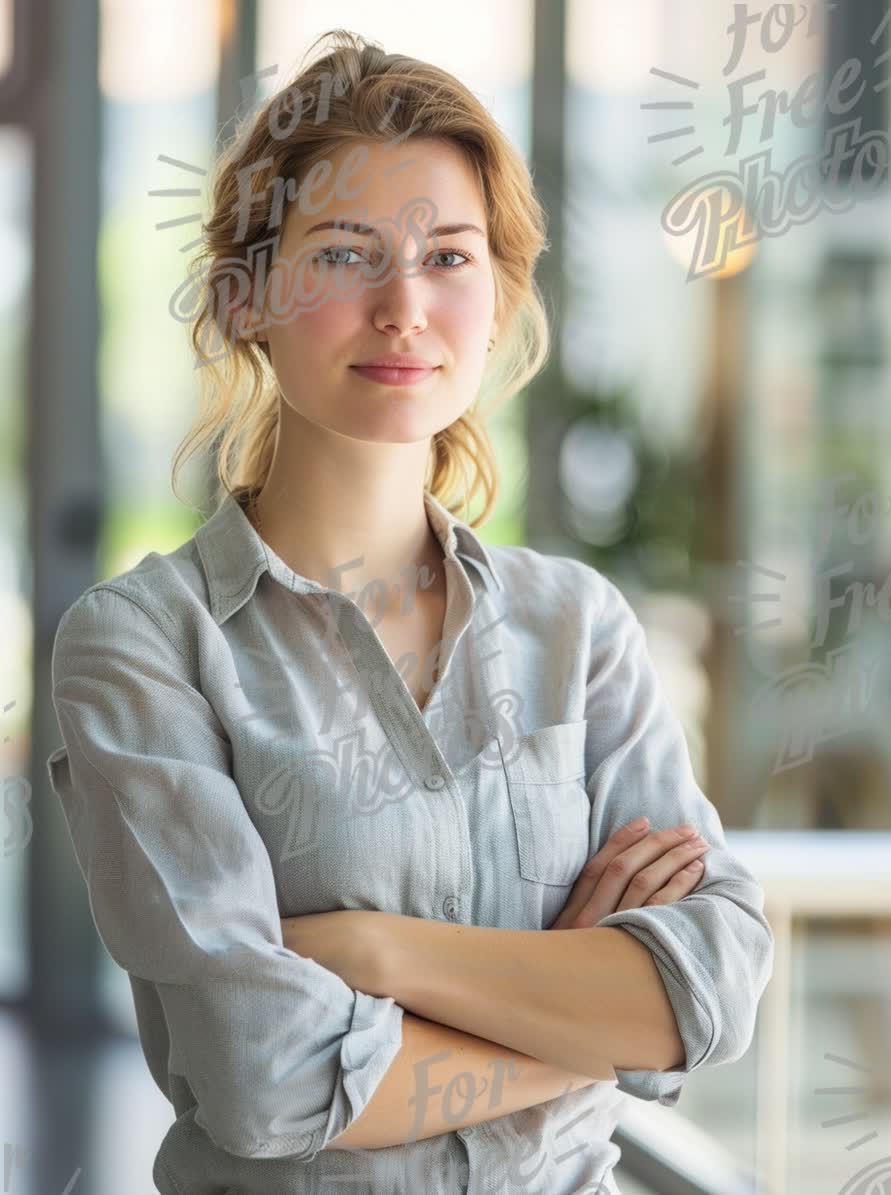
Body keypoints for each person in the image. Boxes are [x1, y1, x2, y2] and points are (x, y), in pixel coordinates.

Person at [46, 28, 774, 1195]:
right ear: (246, 300)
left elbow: (720, 982)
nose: (403, 307)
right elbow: (267, 1078)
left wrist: (383, 955)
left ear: (499, 297)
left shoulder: (576, 630)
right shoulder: (145, 647)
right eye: (344, 254)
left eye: (448, 255)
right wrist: (594, 1019)